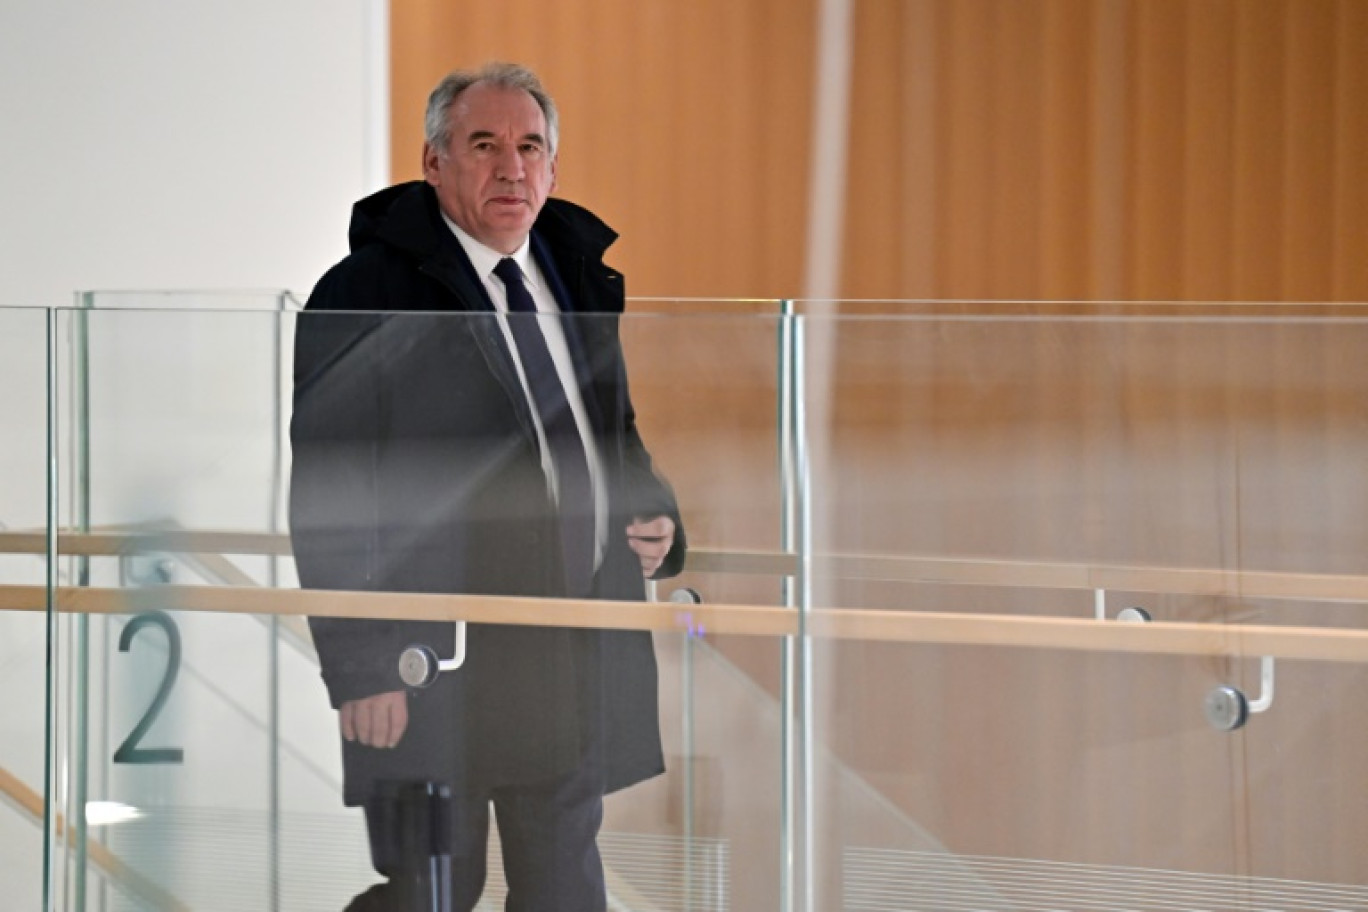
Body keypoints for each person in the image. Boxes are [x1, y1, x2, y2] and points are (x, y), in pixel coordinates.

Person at [289, 62, 686, 911]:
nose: (512, 168)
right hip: (435, 663)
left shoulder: (575, 275)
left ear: (553, 168)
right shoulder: (363, 294)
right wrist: (362, 661)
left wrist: (653, 511)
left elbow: (609, 435)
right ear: (434, 163)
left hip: (569, 643)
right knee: (433, 891)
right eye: (484, 145)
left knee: (565, 893)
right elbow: (331, 493)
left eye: (530, 147)